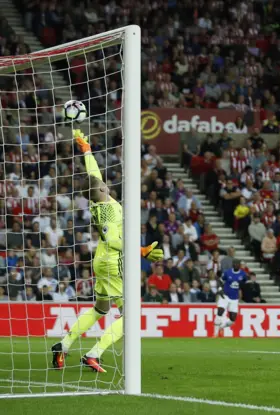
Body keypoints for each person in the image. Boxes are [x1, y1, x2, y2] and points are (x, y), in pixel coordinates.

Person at [52, 130, 163, 373]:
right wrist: (141, 250)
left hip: (100, 260)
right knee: (131, 315)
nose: (104, 181)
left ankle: (64, 344)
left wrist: (87, 150)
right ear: (102, 190)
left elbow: (93, 175)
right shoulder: (109, 211)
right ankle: (94, 353)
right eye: (103, 183)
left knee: (101, 308)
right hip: (114, 261)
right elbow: (114, 240)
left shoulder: (95, 200)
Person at [214, 259, 247, 335]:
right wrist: (220, 289)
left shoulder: (243, 274)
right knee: (220, 311)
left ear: (239, 265)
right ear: (232, 265)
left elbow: (244, 283)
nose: (235, 265)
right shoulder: (227, 272)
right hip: (225, 295)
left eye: (237, 264)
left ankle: (221, 327)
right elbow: (220, 280)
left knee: (233, 319)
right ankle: (215, 333)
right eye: (234, 264)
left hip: (234, 298)